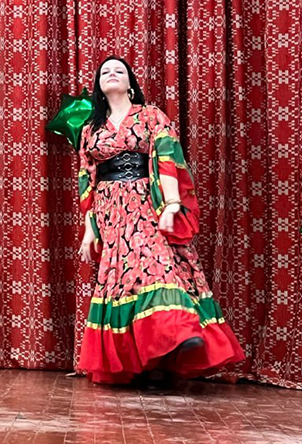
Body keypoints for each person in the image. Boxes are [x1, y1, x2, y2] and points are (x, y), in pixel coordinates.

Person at [76, 56, 244, 386]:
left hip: (145, 203)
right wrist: (88, 229)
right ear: (98, 85)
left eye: (119, 70)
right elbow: (87, 179)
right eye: (105, 72)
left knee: (155, 265)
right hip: (110, 210)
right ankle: (142, 362)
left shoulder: (151, 116)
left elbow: (167, 158)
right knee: (123, 280)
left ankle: (179, 333)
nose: (112, 74)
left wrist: (172, 204)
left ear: (130, 83)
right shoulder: (89, 130)